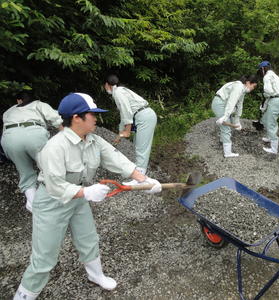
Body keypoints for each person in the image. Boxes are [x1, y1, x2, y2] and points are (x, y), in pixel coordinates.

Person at [13, 93, 162, 300]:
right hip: (51, 202)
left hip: (79, 199)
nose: (96, 119)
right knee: (45, 257)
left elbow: (116, 158)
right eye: (92, 115)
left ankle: (96, 275)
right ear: (76, 118)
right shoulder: (54, 147)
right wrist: (86, 192)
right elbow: (55, 185)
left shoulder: (93, 140)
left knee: (88, 239)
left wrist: (143, 179)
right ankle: (23, 295)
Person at [1, 91, 63, 212]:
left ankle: (33, 203)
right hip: (34, 135)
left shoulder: (8, 111)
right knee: (47, 168)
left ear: (19, 100)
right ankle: (55, 201)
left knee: (25, 172)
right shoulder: (39, 104)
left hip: (10, 138)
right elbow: (57, 120)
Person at [104, 74, 157, 175]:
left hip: (144, 116)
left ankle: (140, 175)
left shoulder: (118, 92)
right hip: (142, 116)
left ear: (107, 84)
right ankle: (139, 172)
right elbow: (123, 116)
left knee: (141, 148)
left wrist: (127, 131)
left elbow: (126, 112)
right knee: (138, 145)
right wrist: (120, 133)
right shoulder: (120, 90)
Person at [212, 75, 258, 157]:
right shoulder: (239, 86)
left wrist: (237, 121)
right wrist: (225, 117)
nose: (253, 89)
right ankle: (227, 153)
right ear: (248, 83)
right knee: (226, 126)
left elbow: (239, 105)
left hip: (222, 104)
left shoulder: (242, 90)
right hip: (220, 103)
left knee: (226, 124)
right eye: (253, 86)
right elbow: (231, 102)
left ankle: (223, 140)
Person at [257, 60, 279, 154]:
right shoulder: (275, 75)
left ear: (262, 69)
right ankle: (270, 137)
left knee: (271, 123)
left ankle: (274, 148)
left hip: (275, 100)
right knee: (267, 118)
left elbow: (268, 91)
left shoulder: (267, 76)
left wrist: (265, 95)